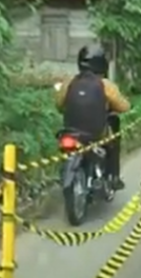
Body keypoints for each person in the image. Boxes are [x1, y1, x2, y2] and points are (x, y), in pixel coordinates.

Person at [55, 44, 131, 189]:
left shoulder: (69, 82)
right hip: (96, 134)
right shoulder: (105, 85)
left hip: (71, 133)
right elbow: (123, 107)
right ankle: (113, 177)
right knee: (114, 130)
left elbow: (59, 105)